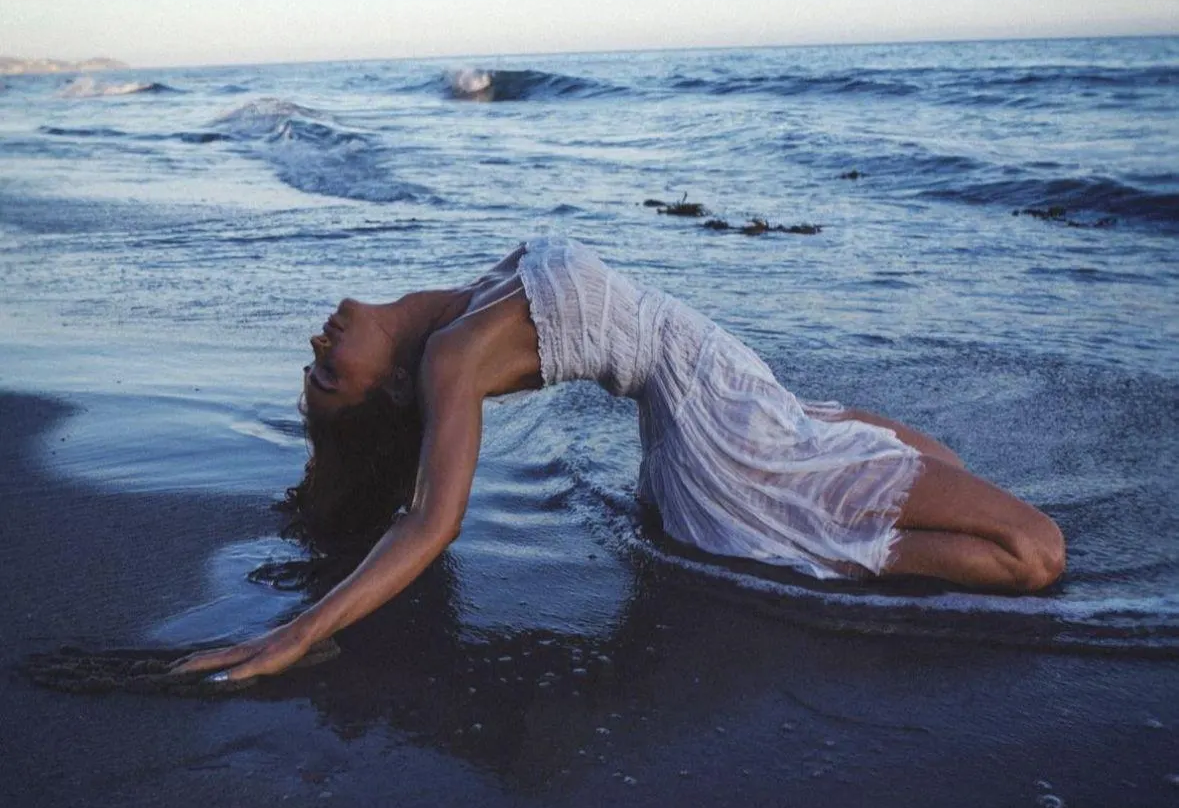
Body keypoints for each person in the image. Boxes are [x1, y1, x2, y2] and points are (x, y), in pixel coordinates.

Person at [178, 237, 1065, 686]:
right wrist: (302, 632)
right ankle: (838, 553)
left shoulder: (461, 310)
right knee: (1033, 553)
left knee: (934, 457)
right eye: (330, 376)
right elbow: (431, 520)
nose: (319, 344)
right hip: (733, 434)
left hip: (743, 400)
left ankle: (829, 543)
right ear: (395, 389)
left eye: (317, 366)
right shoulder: (451, 358)